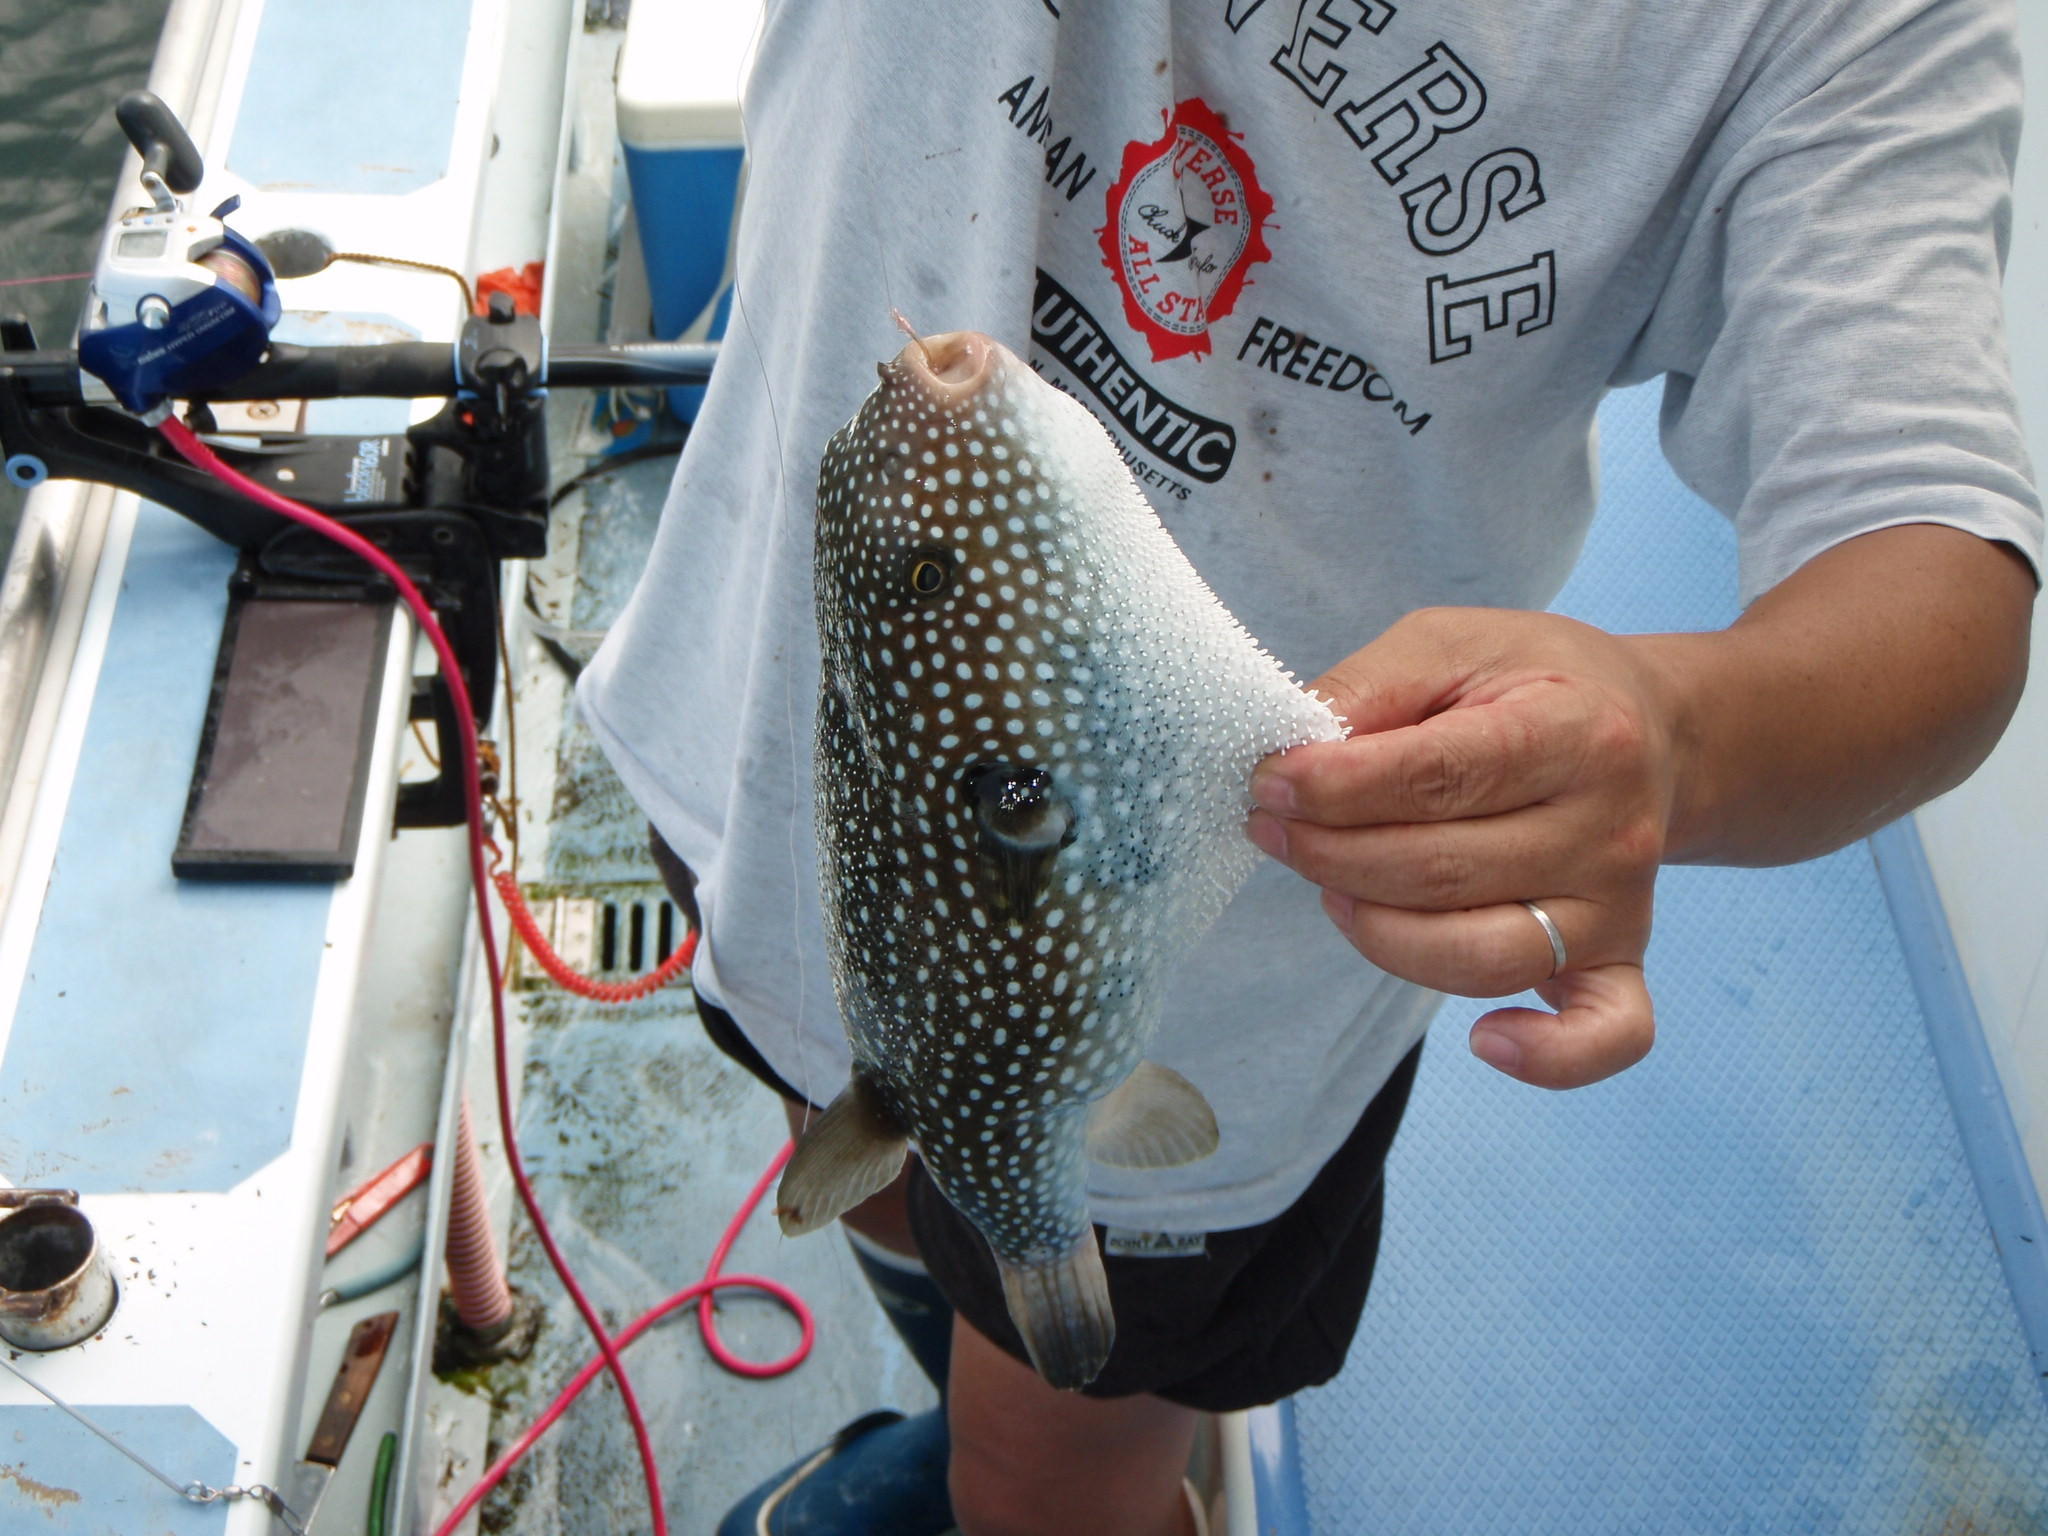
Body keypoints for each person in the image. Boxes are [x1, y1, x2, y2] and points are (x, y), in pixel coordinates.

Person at [579, 1, 2042, 1531]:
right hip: (766, 738)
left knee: (1052, 1458)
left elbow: (1930, 560)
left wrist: (1671, 732)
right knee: (875, 1131)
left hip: (1236, 977)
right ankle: (958, 1385)